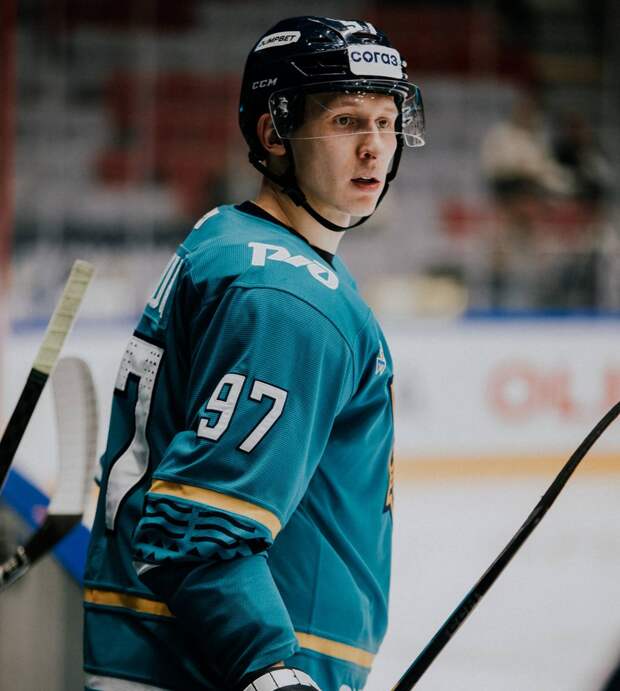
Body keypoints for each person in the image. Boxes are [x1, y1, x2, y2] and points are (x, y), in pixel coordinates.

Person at [83, 16, 425, 691]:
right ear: (274, 134)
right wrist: (271, 669)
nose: (374, 149)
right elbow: (199, 524)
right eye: (347, 122)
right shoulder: (289, 296)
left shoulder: (231, 237)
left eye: (387, 123)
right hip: (219, 671)